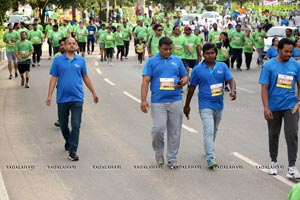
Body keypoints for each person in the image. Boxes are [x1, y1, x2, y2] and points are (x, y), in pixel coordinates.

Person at [183, 42, 236, 168]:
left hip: (219, 105)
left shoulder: (222, 66)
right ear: (203, 54)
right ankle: (211, 157)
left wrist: (233, 90)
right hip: (205, 105)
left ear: (216, 54)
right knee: (209, 130)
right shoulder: (197, 70)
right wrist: (187, 105)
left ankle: (208, 147)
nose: (210, 56)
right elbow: (191, 88)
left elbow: (231, 80)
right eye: (207, 53)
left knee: (214, 130)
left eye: (212, 53)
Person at [45, 37, 99, 161]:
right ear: (64, 46)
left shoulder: (80, 60)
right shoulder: (58, 60)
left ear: (76, 45)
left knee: (76, 125)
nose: (72, 45)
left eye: (74, 43)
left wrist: (93, 93)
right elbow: (54, 78)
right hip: (62, 98)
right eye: (69, 44)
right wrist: (49, 95)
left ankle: (73, 150)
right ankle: (68, 140)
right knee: (63, 125)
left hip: (77, 97)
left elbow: (85, 77)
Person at [140, 37, 188, 169]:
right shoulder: (151, 62)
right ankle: (159, 153)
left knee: (175, 131)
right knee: (158, 129)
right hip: (158, 102)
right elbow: (145, 81)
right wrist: (143, 100)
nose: (168, 52)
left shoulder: (177, 60)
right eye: (165, 49)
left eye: (170, 49)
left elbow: (185, 76)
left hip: (176, 100)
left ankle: (172, 158)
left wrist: (183, 81)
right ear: (159, 48)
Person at [258, 38, 300, 178]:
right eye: (286, 51)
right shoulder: (269, 66)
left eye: (291, 51)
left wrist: (298, 102)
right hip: (273, 107)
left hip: (291, 107)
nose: (289, 54)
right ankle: (273, 162)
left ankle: (292, 167)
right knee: (274, 135)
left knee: (292, 135)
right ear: (279, 50)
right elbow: (264, 88)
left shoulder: (296, 65)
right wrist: (266, 107)